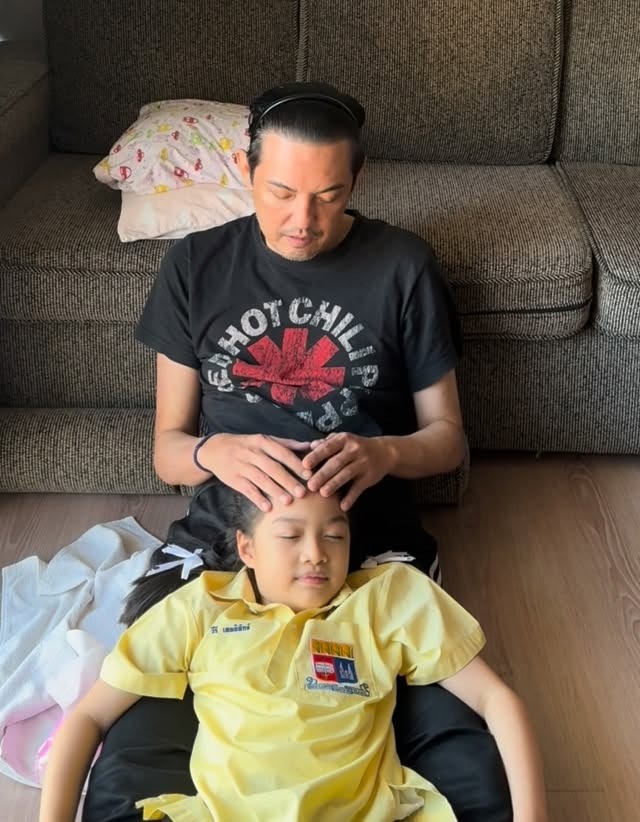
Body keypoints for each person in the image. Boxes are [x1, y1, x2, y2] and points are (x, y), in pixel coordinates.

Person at [81, 81, 513, 820]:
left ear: (357, 181)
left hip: (363, 538)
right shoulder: (195, 266)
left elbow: (447, 439)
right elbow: (168, 451)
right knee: (136, 754)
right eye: (279, 192)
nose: (301, 221)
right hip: (230, 535)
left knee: (455, 754)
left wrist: (385, 456)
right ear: (246, 172)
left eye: (328, 196)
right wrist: (215, 452)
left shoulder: (403, 265)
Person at [40, 487, 547, 822]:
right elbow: (89, 716)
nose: (316, 554)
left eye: (335, 535)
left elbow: (496, 699)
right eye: (289, 535)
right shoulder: (202, 607)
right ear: (247, 549)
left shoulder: (386, 598)